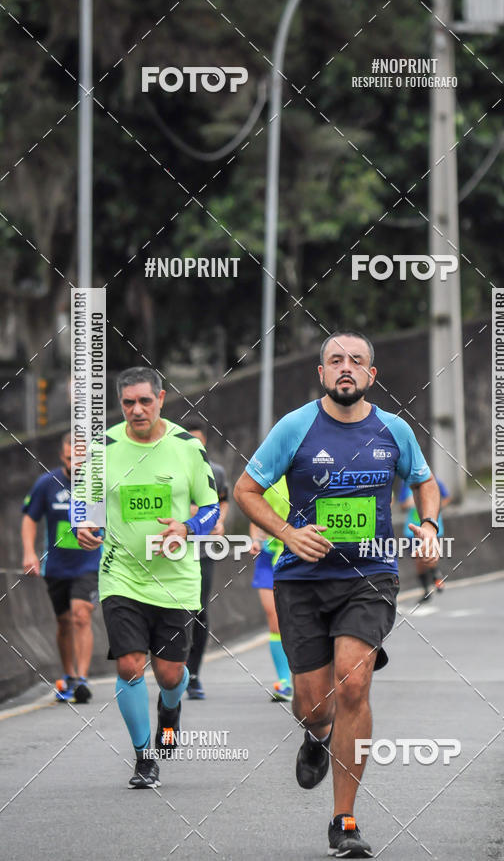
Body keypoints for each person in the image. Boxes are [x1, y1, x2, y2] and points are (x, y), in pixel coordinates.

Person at [234, 331, 441, 858]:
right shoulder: (295, 427)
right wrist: (286, 533)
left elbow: (424, 482)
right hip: (302, 581)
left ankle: (344, 821)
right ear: (321, 373)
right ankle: (316, 735)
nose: (345, 367)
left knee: (354, 682)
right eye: (335, 360)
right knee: (313, 706)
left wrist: (430, 524)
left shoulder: (393, 430)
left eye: (356, 361)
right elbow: (245, 491)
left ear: (371, 374)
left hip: (369, 575)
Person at [77, 367, 219, 789]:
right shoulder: (102, 448)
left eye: (145, 401)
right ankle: (144, 757)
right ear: (120, 405)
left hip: (175, 579)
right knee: (129, 665)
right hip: (120, 575)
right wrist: (83, 524)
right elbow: (84, 504)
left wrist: (188, 528)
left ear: (161, 399)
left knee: (171, 675)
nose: (137, 410)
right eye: (128, 403)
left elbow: (210, 507)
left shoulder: (186, 447)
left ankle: (170, 713)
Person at [22, 431, 100, 703]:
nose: (75, 464)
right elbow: (30, 519)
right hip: (56, 567)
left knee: (82, 614)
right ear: (62, 456)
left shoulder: (99, 485)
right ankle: (68, 676)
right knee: (64, 622)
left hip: (89, 563)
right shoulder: (47, 483)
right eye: (70, 459)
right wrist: (30, 553)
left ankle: (82, 679)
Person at [182, 415, 230, 700]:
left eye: (199, 443)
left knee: (199, 611)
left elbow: (223, 500)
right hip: (172, 552)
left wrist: (219, 521)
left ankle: (195, 674)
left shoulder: (216, 472)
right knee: (173, 613)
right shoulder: (167, 471)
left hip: (203, 552)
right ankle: (174, 671)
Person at [248, 477, 292, 701]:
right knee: (274, 616)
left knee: (300, 618)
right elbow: (254, 512)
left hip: (299, 552)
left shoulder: (307, 467)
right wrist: (255, 539)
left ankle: (306, 676)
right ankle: (285, 681)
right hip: (268, 555)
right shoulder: (267, 475)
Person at [397, 476, 451, 602]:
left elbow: (446, 498)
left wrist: (434, 507)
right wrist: (408, 504)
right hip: (412, 531)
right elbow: (402, 505)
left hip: (432, 529)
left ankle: (436, 576)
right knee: (418, 561)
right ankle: (426, 589)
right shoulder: (405, 483)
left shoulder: (433, 480)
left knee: (430, 557)